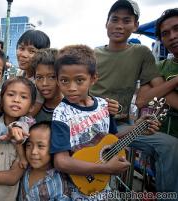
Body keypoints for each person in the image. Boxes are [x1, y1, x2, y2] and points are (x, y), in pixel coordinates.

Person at [89, 0, 178, 194]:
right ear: (106, 23)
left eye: (127, 20)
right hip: (89, 123)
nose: (119, 25)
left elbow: (159, 88)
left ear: (135, 26)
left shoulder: (141, 53)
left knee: (169, 145)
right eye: (114, 20)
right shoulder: (91, 55)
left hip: (121, 124)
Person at [50, 44, 160, 200]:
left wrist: (138, 127)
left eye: (79, 80)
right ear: (58, 80)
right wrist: (105, 168)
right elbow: (61, 162)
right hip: (75, 191)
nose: (71, 87)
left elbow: (111, 139)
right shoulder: (61, 114)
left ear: (93, 78)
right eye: (64, 81)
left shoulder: (104, 105)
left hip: (104, 186)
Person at [18, 121, 72, 201]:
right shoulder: (25, 167)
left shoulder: (59, 185)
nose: (33, 151)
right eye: (29, 145)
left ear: (54, 147)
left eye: (40, 146)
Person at [155, 8, 178, 138]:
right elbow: (141, 99)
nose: (172, 36)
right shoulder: (158, 68)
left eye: (177, 28)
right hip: (163, 140)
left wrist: (159, 89)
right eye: (165, 33)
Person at [16, 30, 51, 116]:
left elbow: (29, 116)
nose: (24, 54)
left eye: (31, 51)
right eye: (21, 48)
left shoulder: (39, 82)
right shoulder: (20, 73)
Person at [31, 48, 63, 122]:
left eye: (52, 77)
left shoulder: (72, 109)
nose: (44, 83)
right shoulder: (30, 108)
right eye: (39, 77)